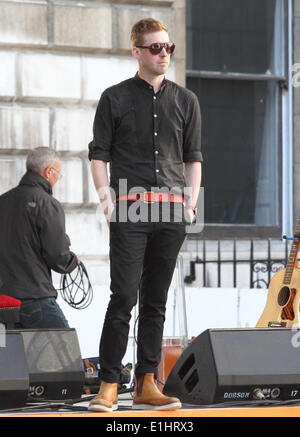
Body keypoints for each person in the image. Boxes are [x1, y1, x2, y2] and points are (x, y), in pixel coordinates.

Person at [88, 18, 202, 412]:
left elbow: (193, 157)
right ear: (137, 51)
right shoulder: (114, 98)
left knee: (155, 300)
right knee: (123, 296)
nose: (164, 54)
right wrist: (107, 201)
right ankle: (108, 384)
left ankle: (147, 382)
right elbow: (98, 154)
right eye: (155, 48)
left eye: (168, 47)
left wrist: (189, 205)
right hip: (129, 208)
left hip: (172, 211)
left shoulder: (186, 100)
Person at [0, 147, 79, 329]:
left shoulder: (2, 202)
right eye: (59, 173)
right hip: (35, 298)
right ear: (49, 172)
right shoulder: (47, 203)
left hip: (4, 301)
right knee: (63, 356)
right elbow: (57, 256)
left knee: (13, 357)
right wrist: (73, 261)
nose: (58, 178)